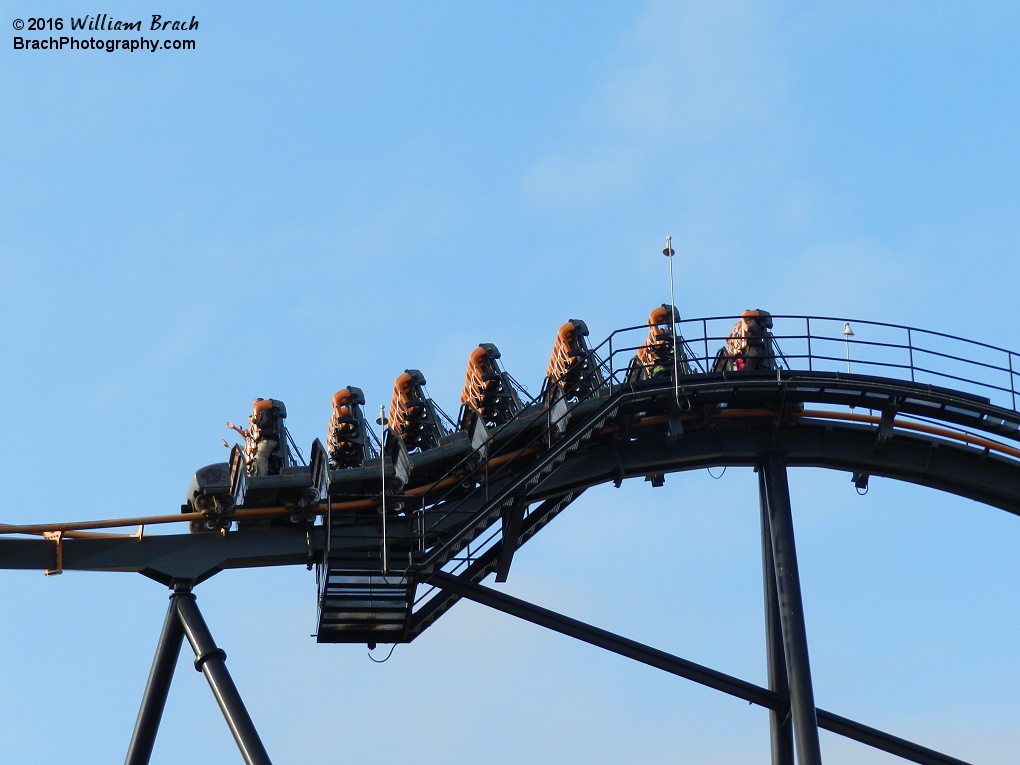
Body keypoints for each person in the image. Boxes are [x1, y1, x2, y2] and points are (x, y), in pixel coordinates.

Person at [227, 398, 279, 476]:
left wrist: (255, 421)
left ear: (260, 403)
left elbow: (266, 423)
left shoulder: (265, 411)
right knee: (257, 459)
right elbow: (246, 434)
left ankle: (262, 478)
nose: (253, 407)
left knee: (260, 457)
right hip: (264, 440)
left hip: (267, 440)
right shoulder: (258, 416)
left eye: (255, 404)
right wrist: (234, 427)